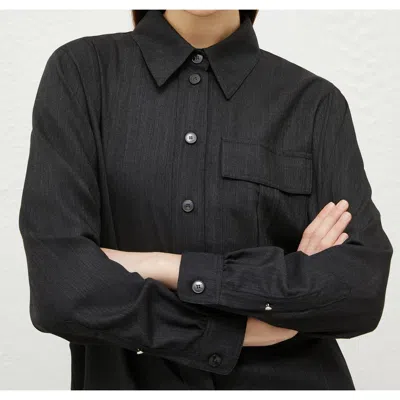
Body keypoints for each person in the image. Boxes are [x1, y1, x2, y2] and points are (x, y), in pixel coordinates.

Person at [19, 9, 393, 390]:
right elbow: (60, 289)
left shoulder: (315, 104)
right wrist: (238, 329)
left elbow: (360, 288)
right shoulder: (82, 74)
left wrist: (164, 266)